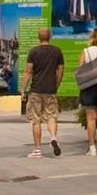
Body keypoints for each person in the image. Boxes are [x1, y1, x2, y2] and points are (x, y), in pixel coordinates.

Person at [23, 31, 65, 159]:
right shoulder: (57, 51)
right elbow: (60, 71)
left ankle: (37, 150)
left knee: (36, 120)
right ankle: (53, 137)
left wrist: (23, 90)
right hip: (50, 90)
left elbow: (28, 72)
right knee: (51, 116)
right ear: (50, 37)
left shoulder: (33, 52)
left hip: (36, 90)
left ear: (38, 38)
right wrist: (56, 85)